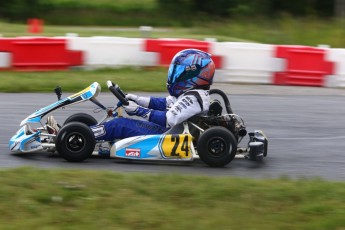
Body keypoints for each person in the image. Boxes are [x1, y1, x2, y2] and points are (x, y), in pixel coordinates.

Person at [90, 49, 216, 141]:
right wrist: (137, 100)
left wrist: (138, 110)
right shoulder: (193, 94)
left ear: (193, 75)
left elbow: (168, 119)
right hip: (168, 130)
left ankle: (84, 135)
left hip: (166, 134)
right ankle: (85, 130)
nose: (176, 75)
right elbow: (164, 103)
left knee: (119, 124)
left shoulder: (193, 97)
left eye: (180, 72)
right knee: (120, 122)